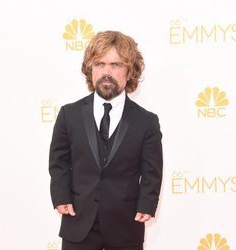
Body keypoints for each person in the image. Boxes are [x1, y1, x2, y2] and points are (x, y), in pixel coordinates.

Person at [49, 31, 163, 250]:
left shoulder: (146, 121)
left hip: (126, 224)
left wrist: (147, 203)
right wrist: (60, 195)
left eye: (116, 65)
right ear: (90, 69)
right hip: (78, 221)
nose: (106, 72)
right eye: (100, 64)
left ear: (130, 71)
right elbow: (59, 161)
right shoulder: (68, 114)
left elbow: (152, 170)